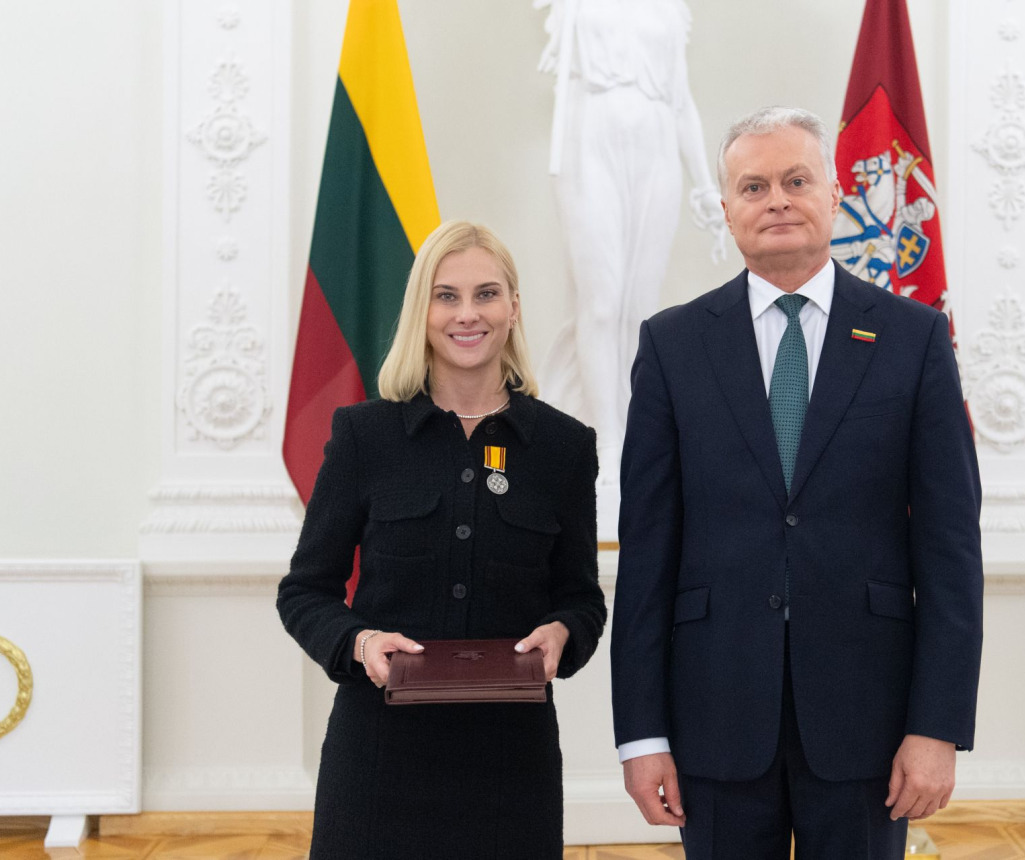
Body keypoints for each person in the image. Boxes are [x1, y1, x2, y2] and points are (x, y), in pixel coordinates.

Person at [610, 107, 983, 859]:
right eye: (753, 186)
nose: (775, 199)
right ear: (726, 211)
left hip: (868, 726)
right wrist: (641, 735)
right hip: (713, 720)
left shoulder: (912, 340)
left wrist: (936, 725)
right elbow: (648, 554)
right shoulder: (673, 345)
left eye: (795, 180)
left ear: (835, 193)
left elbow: (949, 552)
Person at [277, 220, 607, 859]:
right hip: (377, 756)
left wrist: (565, 633)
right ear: (421, 310)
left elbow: (581, 599)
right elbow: (304, 592)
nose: (467, 314)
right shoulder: (362, 438)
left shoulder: (565, 448)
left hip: (511, 762)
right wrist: (361, 642)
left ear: (513, 308)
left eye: (486, 294)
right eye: (446, 295)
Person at [534, 0, 727, 484]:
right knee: (600, 303)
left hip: (657, 148)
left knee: (638, 307)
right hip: (589, 142)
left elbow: (681, 101)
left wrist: (705, 185)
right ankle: (605, 438)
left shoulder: (669, 8)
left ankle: (634, 432)